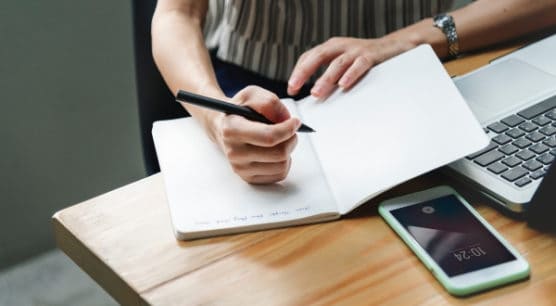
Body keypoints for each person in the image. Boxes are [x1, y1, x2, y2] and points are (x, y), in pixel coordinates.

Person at [151, 0, 556, 184]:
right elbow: (176, 14)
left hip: (426, 72)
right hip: (252, 92)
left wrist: (410, 40)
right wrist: (215, 116)